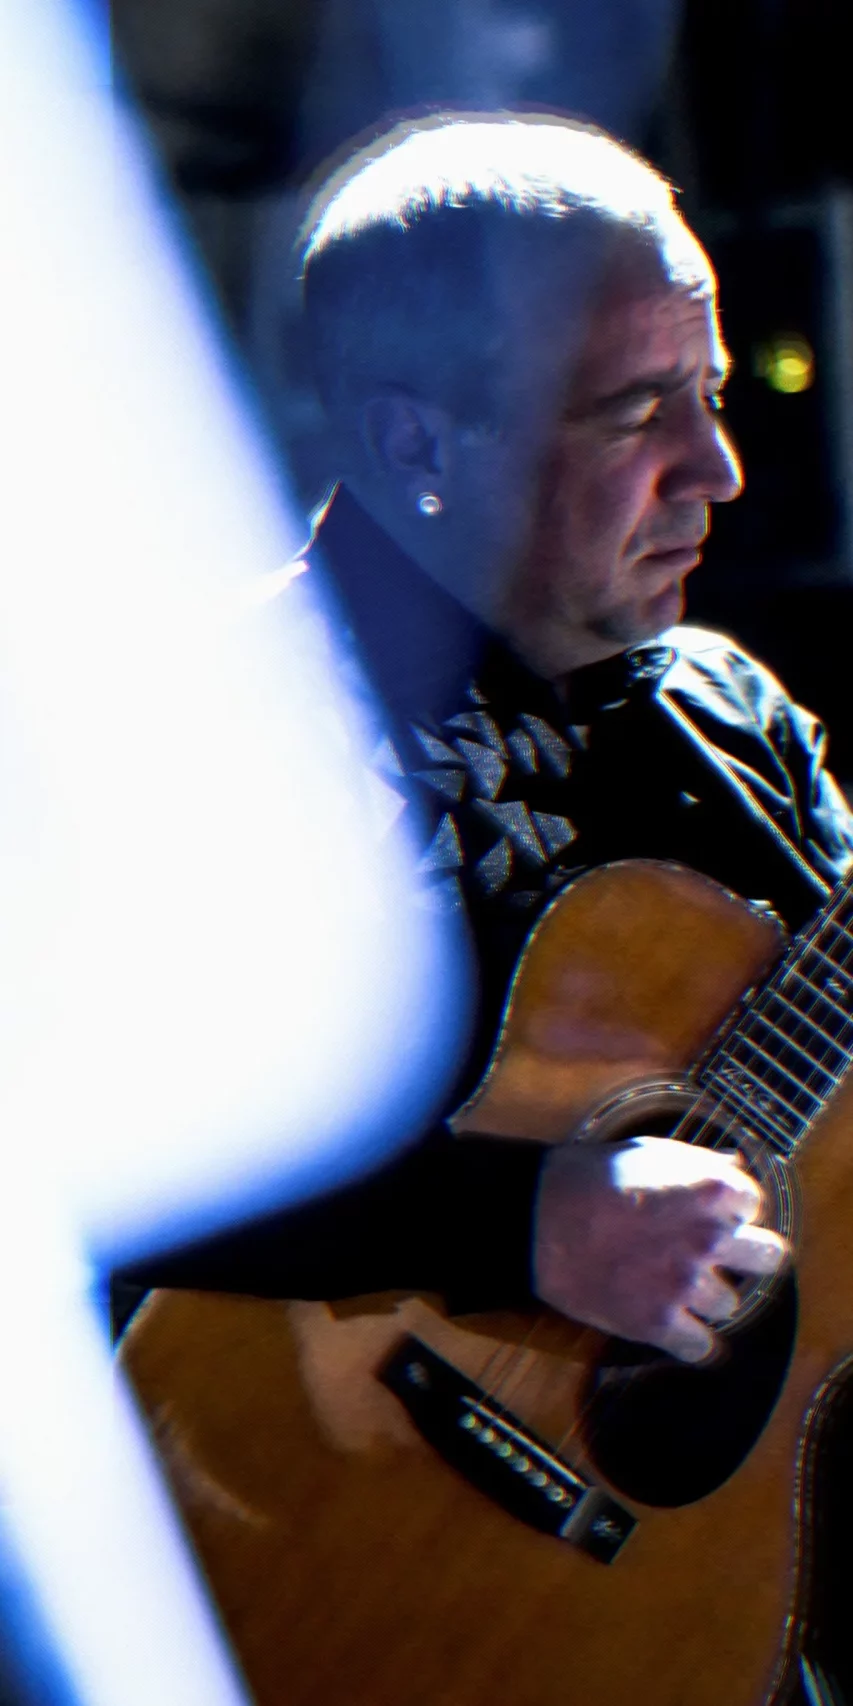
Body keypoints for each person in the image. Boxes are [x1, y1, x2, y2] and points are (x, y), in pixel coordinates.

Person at [119, 113, 853, 1369]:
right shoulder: (202, 733)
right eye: (636, 412)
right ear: (415, 444)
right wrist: (519, 1225)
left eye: (712, 395)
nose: (717, 468)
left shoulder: (735, 713)